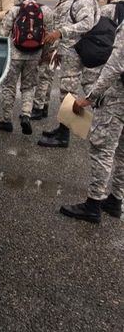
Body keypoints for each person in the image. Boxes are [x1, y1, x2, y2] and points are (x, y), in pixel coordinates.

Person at [59, 29, 124, 223]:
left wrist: (89, 98)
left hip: (118, 100)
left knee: (102, 150)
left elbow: (114, 66)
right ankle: (115, 199)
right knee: (122, 152)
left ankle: (93, 204)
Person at [39, 0, 100, 148]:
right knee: (66, 92)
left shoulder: (86, 0)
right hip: (69, 52)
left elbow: (87, 24)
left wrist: (61, 32)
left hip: (76, 54)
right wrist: (59, 48)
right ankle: (62, 129)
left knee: (69, 94)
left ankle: (63, 136)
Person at [0, 0, 54, 135]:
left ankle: (6, 120)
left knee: (9, 86)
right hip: (35, 55)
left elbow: (3, 34)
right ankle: (26, 115)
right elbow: (50, 36)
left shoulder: (14, 10)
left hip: (15, 55)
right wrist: (45, 54)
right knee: (29, 86)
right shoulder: (46, 11)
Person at [30, 0, 70, 120]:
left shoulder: (68, 3)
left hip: (55, 47)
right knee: (46, 77)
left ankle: (38, 108)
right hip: (53, 46)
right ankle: (43, 106)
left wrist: (53, 50)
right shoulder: (63, 2)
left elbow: (63, 29)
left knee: (43, 77)